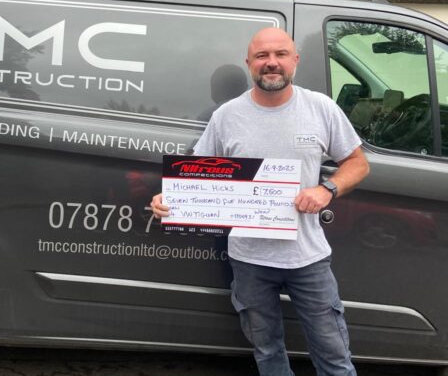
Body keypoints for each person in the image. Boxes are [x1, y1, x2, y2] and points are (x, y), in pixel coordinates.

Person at [150, 27, 369, 376]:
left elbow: (358, 163)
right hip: (249, 260)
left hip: (308, 258)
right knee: (267, 352)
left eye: (280, 54)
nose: (271, 63)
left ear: (295, 60)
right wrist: (170, 197)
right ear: (249, 62)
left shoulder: (321, 108)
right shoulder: (227, 116)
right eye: (262, 56)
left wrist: (327, 189)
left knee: (334, 356)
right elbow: (196, 174)